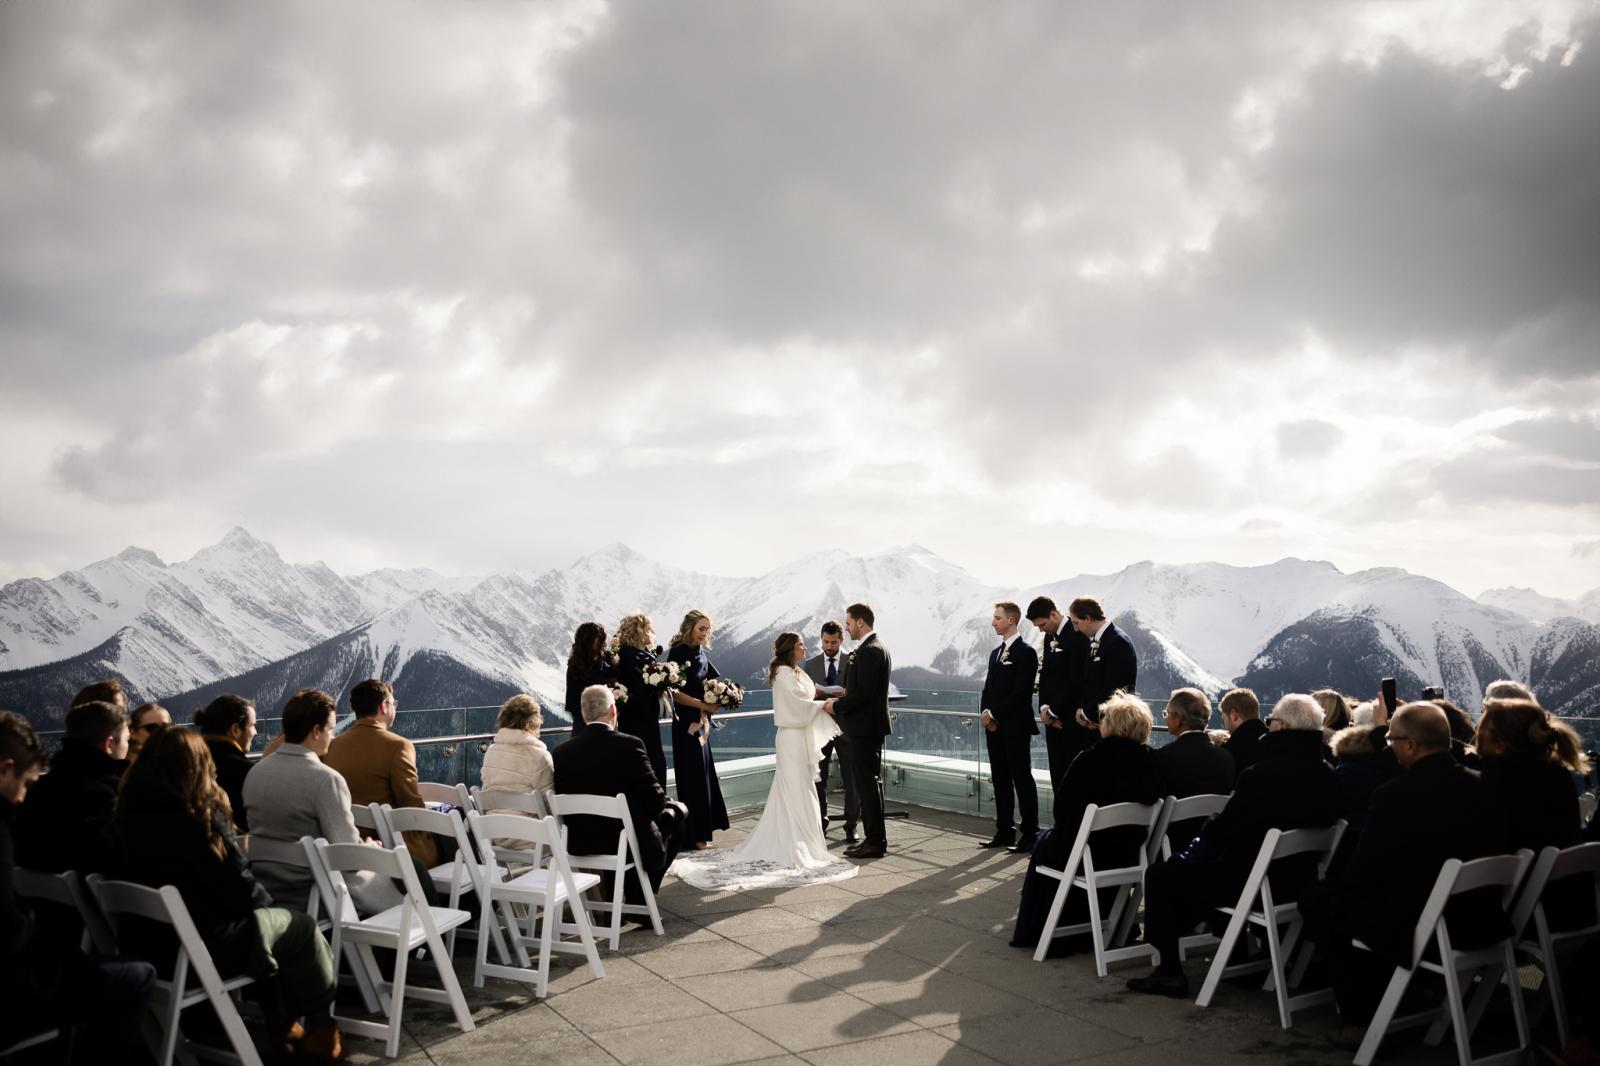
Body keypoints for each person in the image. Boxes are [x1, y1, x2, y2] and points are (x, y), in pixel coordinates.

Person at [116, 725, 343, 1060]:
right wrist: (270, 907)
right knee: (301, 927)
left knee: (276, 929)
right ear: (197, 768)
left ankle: (286, 1021)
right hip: (205, 948)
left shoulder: (123, 818)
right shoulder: (197, 821)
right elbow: (244, 895)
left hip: (147, 947)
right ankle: (323, 1032)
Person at [1305, 702, 1512, 1035]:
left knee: (1322, 902)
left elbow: (1363, 873)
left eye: (1391, 740)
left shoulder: (1394, 795)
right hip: (1481, 917)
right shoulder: (1483, 786)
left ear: (1412, 745)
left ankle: (1360, 1017)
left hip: (1423, 926)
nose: (1389, 746)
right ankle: (1408, 991)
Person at [1126, 694, 1341, 998]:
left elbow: (1222, 832)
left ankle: (1170, 971)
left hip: (1252, 886)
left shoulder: (1261, 776)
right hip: (1301, 883)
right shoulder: (1330, 777)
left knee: (1162, 875)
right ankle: (1238, 955)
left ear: (1281, 728)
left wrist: (1189, 854)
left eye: (1271, 723)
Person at [1, 711, 155, 1063]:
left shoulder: (44, 794)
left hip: (49, 935)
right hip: (21, 988)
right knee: (138, 974)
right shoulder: (102, 797)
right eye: (25, 783)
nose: (24, 796)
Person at [670, 633, 858, 891]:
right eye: (800, 644)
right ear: (790, 648)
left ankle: (801, 841)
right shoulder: (781, 674)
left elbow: (808, 695)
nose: (805, 647)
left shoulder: (796, 671)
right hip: (791, 738)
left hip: (800, 736)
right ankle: (792, 844)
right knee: (793, 791)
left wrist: (824, 698)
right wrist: (822, 705)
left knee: (802, 790)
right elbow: (793, 708)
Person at [1009, 694, 1164, 951]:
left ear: (1111, 726)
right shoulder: (1154, 763)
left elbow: (1064, 811)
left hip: (1086, 855)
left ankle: (1039, 928)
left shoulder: (1089, 760)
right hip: (1131, 855)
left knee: (1043, 844)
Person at [243, 689, 400, 914]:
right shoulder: (326, 780)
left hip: (266, 889)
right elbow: (348, 857)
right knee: (401, 875)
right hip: (314, 892)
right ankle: (414, 935)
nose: (333, 737)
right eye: (331, 729)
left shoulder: (255, 774)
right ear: (316, 731)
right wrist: (368, 848)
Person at [552, 685, 688, 901]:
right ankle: (641, 897)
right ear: (614, 711)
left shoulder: (561, 753)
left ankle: (626, 896)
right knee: (676, 821)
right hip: (624, 841)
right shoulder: (630, 745)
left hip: (579, 840)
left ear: (584, 714)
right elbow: (654, 802)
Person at [323, 679, 437, 867]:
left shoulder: (332, 746)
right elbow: (411, 805)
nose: (395, 708)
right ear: (383, 706)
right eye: (393, 703)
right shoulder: (398, 746)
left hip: (347, 844)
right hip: (392, 846)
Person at [15, 699, 128, 875]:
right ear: (109, 744)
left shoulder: (36, 791)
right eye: (126, 740)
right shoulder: (104, 798)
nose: (128, 747)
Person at [824, 603, 893, 859]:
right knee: (870, 784)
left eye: (849, 622)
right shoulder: (878, 647)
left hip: (865, 727)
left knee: (867, 785)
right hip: (869, 726)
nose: (846, 626)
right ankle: (875, 839)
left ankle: (875, 841)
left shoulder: (868, 651)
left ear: (860, 622)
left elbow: (862, 695)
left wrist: (836, 705)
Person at [1474, 698, 1586, 854]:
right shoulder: (1558, 774)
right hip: (1559, 874)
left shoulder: (1494, 781)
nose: (1475, 730)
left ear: (1499, 745)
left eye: (1479, 732)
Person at [978, 601, 1041, 852]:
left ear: (1011, 620)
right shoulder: (995, 653)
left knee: (1022, 779)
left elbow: (1021, 693)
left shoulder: (1027, 653)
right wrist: (984, 714)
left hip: (1015, 727)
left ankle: (1030, 834)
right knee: (1000, 779)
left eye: (997, 618)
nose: (993, 622)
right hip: (993, 728)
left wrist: (994, 713)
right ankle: (1004, 831)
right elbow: (988, 687)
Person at [666, 610, 730, 849]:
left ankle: (702, 832)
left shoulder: (700, 653)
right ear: (690, 627)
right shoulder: (679, 652)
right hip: (686, 724)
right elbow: (674, 693)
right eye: (701, 628)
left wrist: (725, 697)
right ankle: (693, 835)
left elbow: (713, 682)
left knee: (703, 777)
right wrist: (704, 704)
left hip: (702, 723)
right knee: (692, 777)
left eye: (707, 629)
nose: (705, 633)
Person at [1153, 688, 1236, 853]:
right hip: (1213, 845)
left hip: (1170, 847)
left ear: (1179, 718)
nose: (1166, 718)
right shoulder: (1226, 758)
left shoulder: (1164, 757)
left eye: (1167, 713)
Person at [1027, 596, 1091, 788]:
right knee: (1057, 774)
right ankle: (1060, 818)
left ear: (1054, 614)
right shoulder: (1049, 638)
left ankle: (1075, 819)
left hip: (1070, 721)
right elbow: (1044, 675)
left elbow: (1076, 680)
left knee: (1073, 777)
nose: (1041, 629)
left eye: (1043, 624)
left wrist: (1054, 711)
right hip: (1052, 720)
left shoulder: (1077, 634)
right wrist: (1044, 708)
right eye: (1038, 626)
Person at [805, 620, 858, 843]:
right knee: (819, 777)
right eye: (826, 642)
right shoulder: (810, 664)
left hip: (847, 727)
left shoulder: (852, 661)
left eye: (833, 642)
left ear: (841, 640)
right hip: (820, 727)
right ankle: (821, 823)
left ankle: (851, 825)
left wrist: (845, 694)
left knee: (852, 779)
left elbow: (857, 693)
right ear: (821, 639)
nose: (829, 646)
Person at [613, 612, 672, 786]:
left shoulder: (634, 654)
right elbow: (638, 689)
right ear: (638, 631)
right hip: (639, 721)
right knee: (649, 765)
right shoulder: (632, 657)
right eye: (649, 629)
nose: (652, 633)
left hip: (643, 720)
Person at [1068, 597, 1137, 735]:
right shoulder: (1096, 640)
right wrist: (1082, 711)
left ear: (1087, 618)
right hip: (1093, 724)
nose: (1075, 629)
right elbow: (1087, 681)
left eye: (1076, 623)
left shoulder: (1118, 642)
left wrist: (1087, 714)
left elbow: (1115, 688)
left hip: (1112, 725)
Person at [480, 694, 555, 808]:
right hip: (530, 824)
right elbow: (550, 804)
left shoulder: (491, 752)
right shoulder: (539, 756)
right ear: (532, 722)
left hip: (491, 823)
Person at [195, 694, 257, 833]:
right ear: (235, 729)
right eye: (252, 725)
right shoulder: (246, 771)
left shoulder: (190, 762)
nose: (255, 732)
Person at [564, 621, 613, 719]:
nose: (602, 643)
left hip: (590, 718)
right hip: (586, 718)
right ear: (589, 640)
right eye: (599, 639)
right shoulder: (579, 666)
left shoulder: (595, 662)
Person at [1219, 687, 1268, 775]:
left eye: (1224, 718)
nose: (1224, 725)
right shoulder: (1272, 739)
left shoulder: (1229, 752)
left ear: (1233, 715)